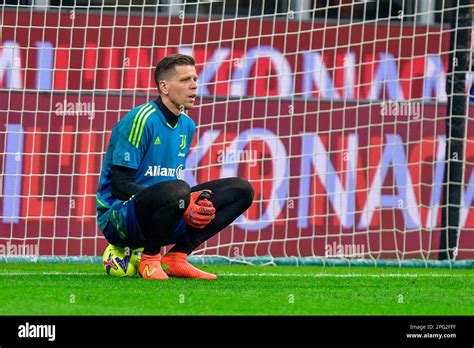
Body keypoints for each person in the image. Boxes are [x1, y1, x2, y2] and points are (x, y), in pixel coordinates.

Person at [96, 54, 254, 280]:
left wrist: (185, 202)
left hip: (166, 214)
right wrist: (178, 199)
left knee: (241, 190)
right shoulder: (141, 119)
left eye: (195, 79)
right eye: (185, 80)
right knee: (179, 190)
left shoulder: (187, 125)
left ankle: (176, 257)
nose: (194, 86)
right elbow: (120, 187)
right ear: (164, 87)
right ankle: (150, 259)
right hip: (121, 219)